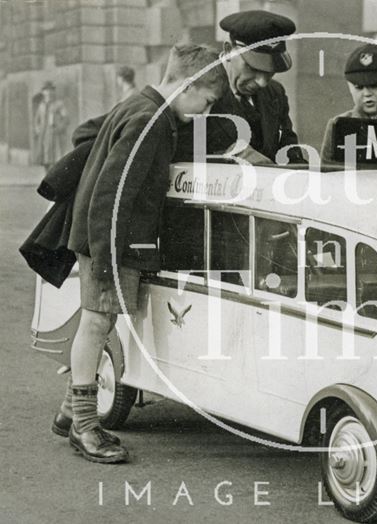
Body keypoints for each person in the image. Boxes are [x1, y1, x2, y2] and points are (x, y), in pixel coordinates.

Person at [54, 44, 226, 464]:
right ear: (187, 85)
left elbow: (89, 140)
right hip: (110, 242)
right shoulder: (150, 120)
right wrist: (107, 256)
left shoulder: (142, 105)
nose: (204, 111)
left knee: (99, 322)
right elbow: (112, 194)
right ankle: (84, 425)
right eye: (205, 101)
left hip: (107, 240)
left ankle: (68, 413)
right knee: (97, 323)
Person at [174, 10, 305, 164]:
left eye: (270, 72)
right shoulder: (196, 88)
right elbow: (181, 155)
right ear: (229, 50)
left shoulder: (275, 93)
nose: (262, 82)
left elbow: (291, 153)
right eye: (253, 68)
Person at [320, 43, 377, 162]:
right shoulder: (339, 126)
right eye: (358, 87)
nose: (366, 93)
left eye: (375, 85)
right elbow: (327, 175)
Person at [33, 81, 68, 171]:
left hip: (54, 134)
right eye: (46, 90)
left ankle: (53, 179)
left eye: (50, 90)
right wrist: (37, 129)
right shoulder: (41, 105)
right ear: (43, 92)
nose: (48, 93)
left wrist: (59, 128)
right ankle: (47, 176)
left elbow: (66, 118)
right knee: (44, 158)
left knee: (54, 157)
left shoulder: (59, 104)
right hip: (43, 134)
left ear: (53, 91)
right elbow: (37, 119)